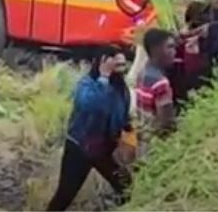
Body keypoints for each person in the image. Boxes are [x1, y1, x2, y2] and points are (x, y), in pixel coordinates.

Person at [46, 46, 133, 211]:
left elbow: (121, 115)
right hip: (80, 148)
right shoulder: (86, 84)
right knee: (65, 195)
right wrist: (104, 78)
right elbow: (90, 105)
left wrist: (128, 138)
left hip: (105, 148)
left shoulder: (120, 88)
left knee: (126, 186)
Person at [135, 29, 177, 156]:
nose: (174, 52)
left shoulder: (142, 73)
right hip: (157, 149)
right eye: (169, 47)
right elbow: (166, 124)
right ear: (155, 50)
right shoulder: (161, 83)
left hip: (142, 141)